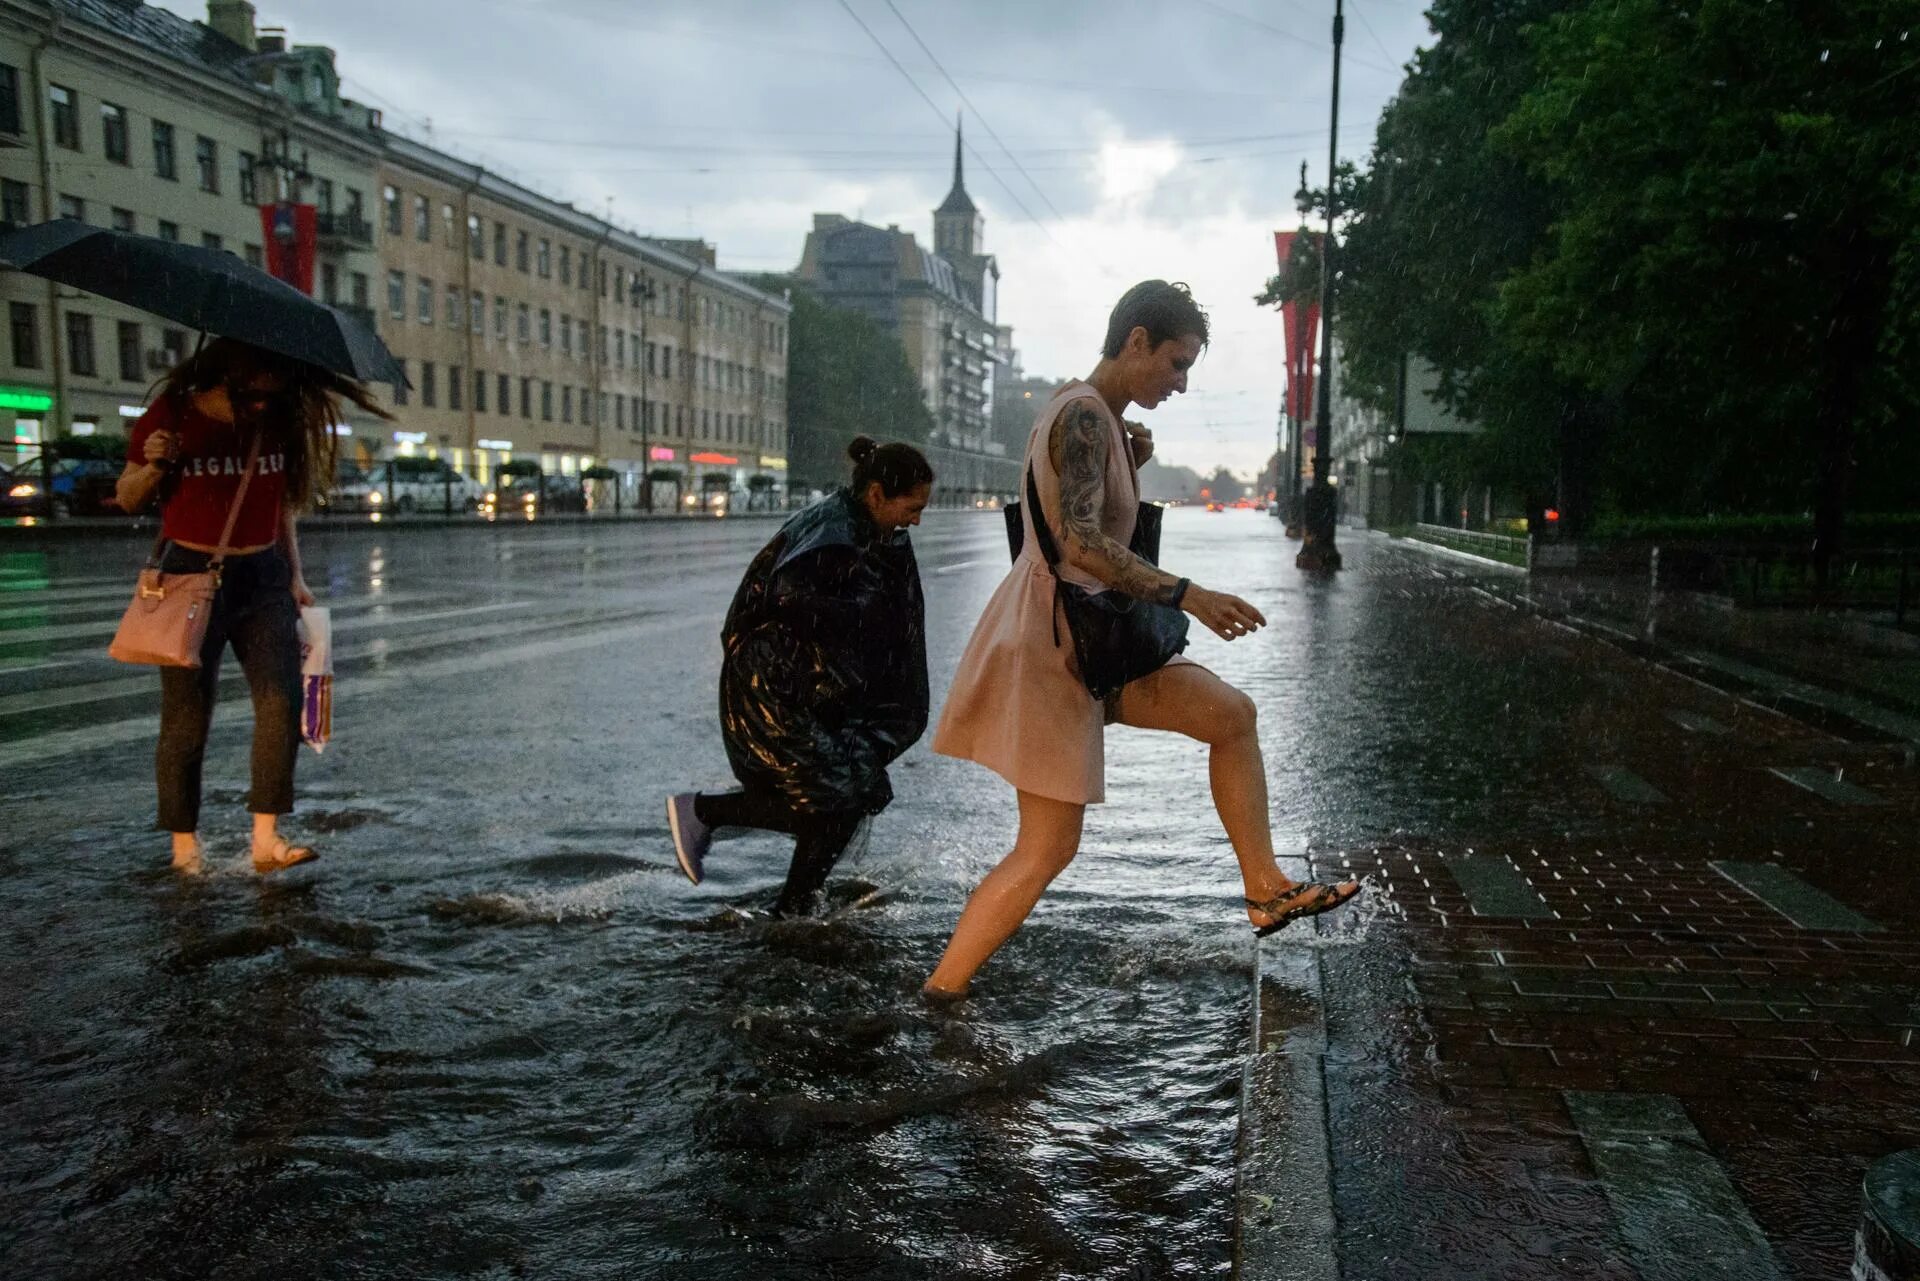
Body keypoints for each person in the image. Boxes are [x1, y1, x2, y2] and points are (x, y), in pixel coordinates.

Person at [925, 281, 1360, 998]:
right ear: (1136, 342)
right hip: (1055, 645)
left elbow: (1086, 517)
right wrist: (1190, 594)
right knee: (1046, 848)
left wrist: (1134, 463)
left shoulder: (1099, 419)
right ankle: (940, 994)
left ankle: (1266, 889)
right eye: (1176, 363)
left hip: (1099, 640)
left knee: (1231, 716)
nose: (1182, 383)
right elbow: (1081, 541)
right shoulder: (1086, 418)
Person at [115, 338, 391, 876]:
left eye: (275, 395)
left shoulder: (277, 418)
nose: (264, 405)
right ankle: (184, 851)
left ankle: (265, 840)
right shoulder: (170, 415)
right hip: (189, 576)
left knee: (283, 702)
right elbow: (129, 496)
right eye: (254, 396)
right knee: (188, 719)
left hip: (263, 577)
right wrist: (154, 465)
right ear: (228, 377)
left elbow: (280, 504)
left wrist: (295, 576)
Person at [667, 437, 933, 916]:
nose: (915, 519)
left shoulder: (859, 526)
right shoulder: (834, 534)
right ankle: (705, 813)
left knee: (852, 789)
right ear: (876, 495)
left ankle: (796, 905)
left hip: (802, 686)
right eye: (911, 507)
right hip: (773, 688)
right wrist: (862, 613)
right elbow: (793, 598)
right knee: (831, 797)